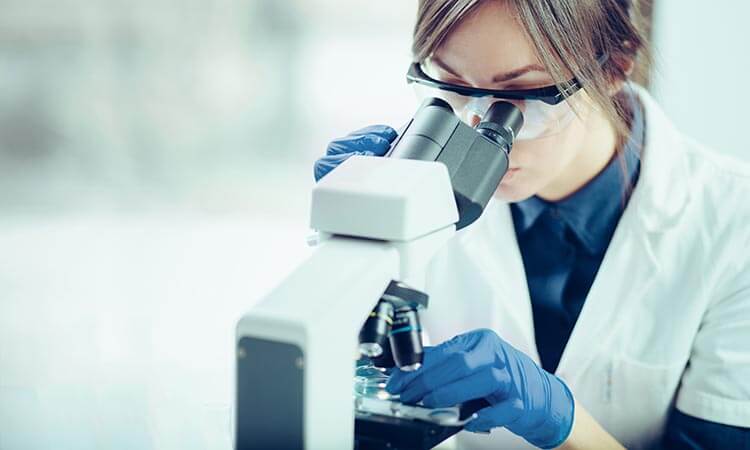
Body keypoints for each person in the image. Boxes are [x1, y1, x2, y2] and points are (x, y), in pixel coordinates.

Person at [314, 0, 750, 448]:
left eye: (523, 95)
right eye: (450, 85)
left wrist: (565, 423)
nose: (478, 123)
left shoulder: (734, 224)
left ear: (615, 66)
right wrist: (348, 238)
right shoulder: (421, 187)